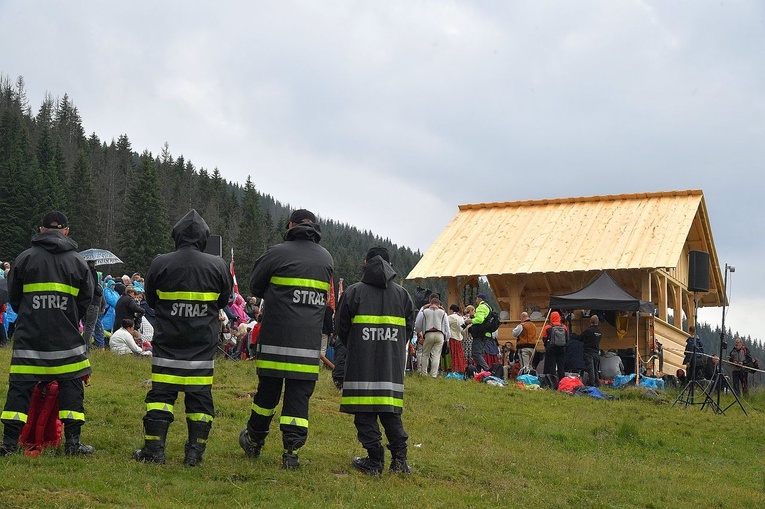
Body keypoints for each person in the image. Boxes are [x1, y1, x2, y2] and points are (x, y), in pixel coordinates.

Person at [133, 209, 232, 467]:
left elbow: (151, 300)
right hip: (202, 345)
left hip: (168, 342)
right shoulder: (218, 265)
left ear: (176, 236)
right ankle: (194, 455)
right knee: (200, 398)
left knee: (161, 396)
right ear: (203, 237)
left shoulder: (160, 262)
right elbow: (224, 300)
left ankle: (154, 451)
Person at [239, 209, 333, 470]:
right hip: (308, 344)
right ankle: (291, 453)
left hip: (275, 339)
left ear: (291, 225)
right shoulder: (326, 258)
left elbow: (256, 286)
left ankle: (254, 440)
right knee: (298, 399)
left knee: (266, 395)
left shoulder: (276, 252)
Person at [0, 211, 95, 456]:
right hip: (67, 339)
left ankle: (9, 444)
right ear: (66, 231)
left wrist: (33, 316)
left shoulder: (24, 258)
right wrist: (69, 318)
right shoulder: (78, 261)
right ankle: (73, 445)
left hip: (29, 338)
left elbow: (15, 299)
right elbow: (86, 300)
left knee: (19, 389)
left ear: (40, 230)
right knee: (72, 389)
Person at [334, 246, 415, 475]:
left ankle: (374, 459)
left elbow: (341, 327)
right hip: (391, 364)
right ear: (391, 265)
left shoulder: (353, 292)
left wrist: (358, 344)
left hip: (361, 363)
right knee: (391, 413)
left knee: (364, 412)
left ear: (365, 262)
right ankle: (399, 461)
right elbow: (408, 330)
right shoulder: (403, 295)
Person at [414, 296, 450, 377]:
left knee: (425, 354)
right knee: (436, 355)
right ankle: (434, 375)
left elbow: (417, 325)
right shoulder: (443, 313)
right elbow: (446, 326)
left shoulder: (425, 311)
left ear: (430, 303)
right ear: (439, 304)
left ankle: (424, 373)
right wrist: (447, 337)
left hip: (428, 333)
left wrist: (419, 332)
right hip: (440, 334)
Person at [464, 294, 492, 372]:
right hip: (486, 333)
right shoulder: (488, 307)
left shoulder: (481, 307)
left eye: (476, 299)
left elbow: (480, 320)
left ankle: (487, 370)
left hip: (480, 333)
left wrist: (470, 320)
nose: (476, 301)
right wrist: (473, 316)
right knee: (479, 354)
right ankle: (479, 372)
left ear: (479, 299)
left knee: (475, 354)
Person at [82, 260, 105, 349]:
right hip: (93, 303)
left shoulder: (83, 271)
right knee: (90, 326)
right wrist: (99, 291)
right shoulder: (93, 273)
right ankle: (86, 346)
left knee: (86, 326)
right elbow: (94, 288)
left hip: (85, 303)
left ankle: (84, 344)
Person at [541, 311, 568, 387]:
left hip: (551, 349)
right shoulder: (564, 327)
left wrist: (547, 346)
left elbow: (544, 339)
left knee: (550, 367)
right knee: (561, 367)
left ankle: (551, 383)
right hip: (562, 349)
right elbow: (567, 339)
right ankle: (562, 384)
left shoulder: (547, 327)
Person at [580, 315, 603, 386]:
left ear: (590, 322)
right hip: (596, 352)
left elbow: (580, 337)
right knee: (596, 368)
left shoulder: (588, 331)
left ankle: (592, 383)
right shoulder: (599, 332)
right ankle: (597, 382)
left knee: (591, 369)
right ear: (598, 322)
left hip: (588, 352)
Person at [447, 304, 466, 373]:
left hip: (452, 337)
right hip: (459, 337)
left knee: (453, 354)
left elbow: (446, 326)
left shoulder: (451, 317)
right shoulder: (461, 317)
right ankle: (460, 368)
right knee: (459, 354)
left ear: (451, 310)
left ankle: (454, 368)